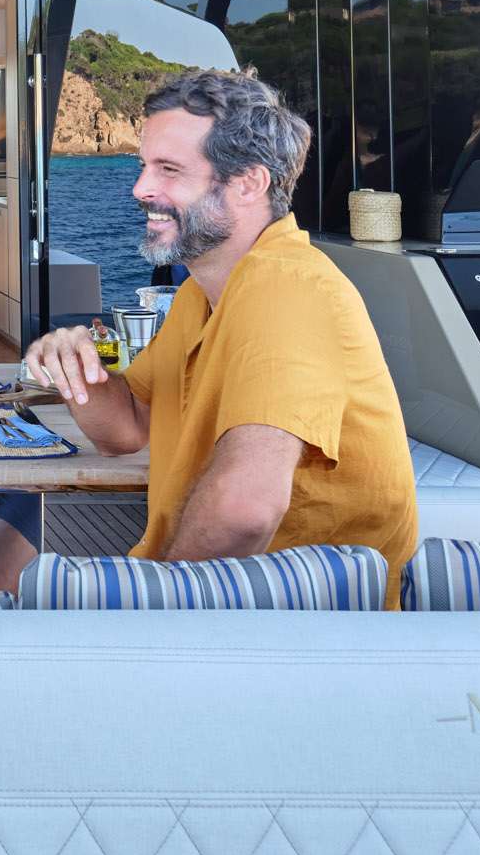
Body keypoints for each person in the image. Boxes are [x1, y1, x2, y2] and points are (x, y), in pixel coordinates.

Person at [23, 70, 418, 606]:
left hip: (297, 626)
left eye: (169, 170)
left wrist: (156, 611)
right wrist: (77, 367)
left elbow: (245, 509)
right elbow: (125, 432)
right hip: (229, 602)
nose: (141, 189)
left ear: (249, 183)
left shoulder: (287, 287)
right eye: (144, 167)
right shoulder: (201, 293)